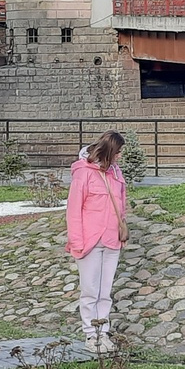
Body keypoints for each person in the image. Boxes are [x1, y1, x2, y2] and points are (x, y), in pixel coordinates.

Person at [65, 130, 128, 353]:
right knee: (90, 291)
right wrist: (77, 242)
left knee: (105, 292)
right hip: (89, 241)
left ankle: (103, 332)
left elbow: (121, 204)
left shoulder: (116, 172)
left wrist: (121, 231)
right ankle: (91, 335)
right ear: (109, 151)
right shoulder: (83, 173)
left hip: (112, 240)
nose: (120, 155)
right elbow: (73, 210)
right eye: (118, 152)